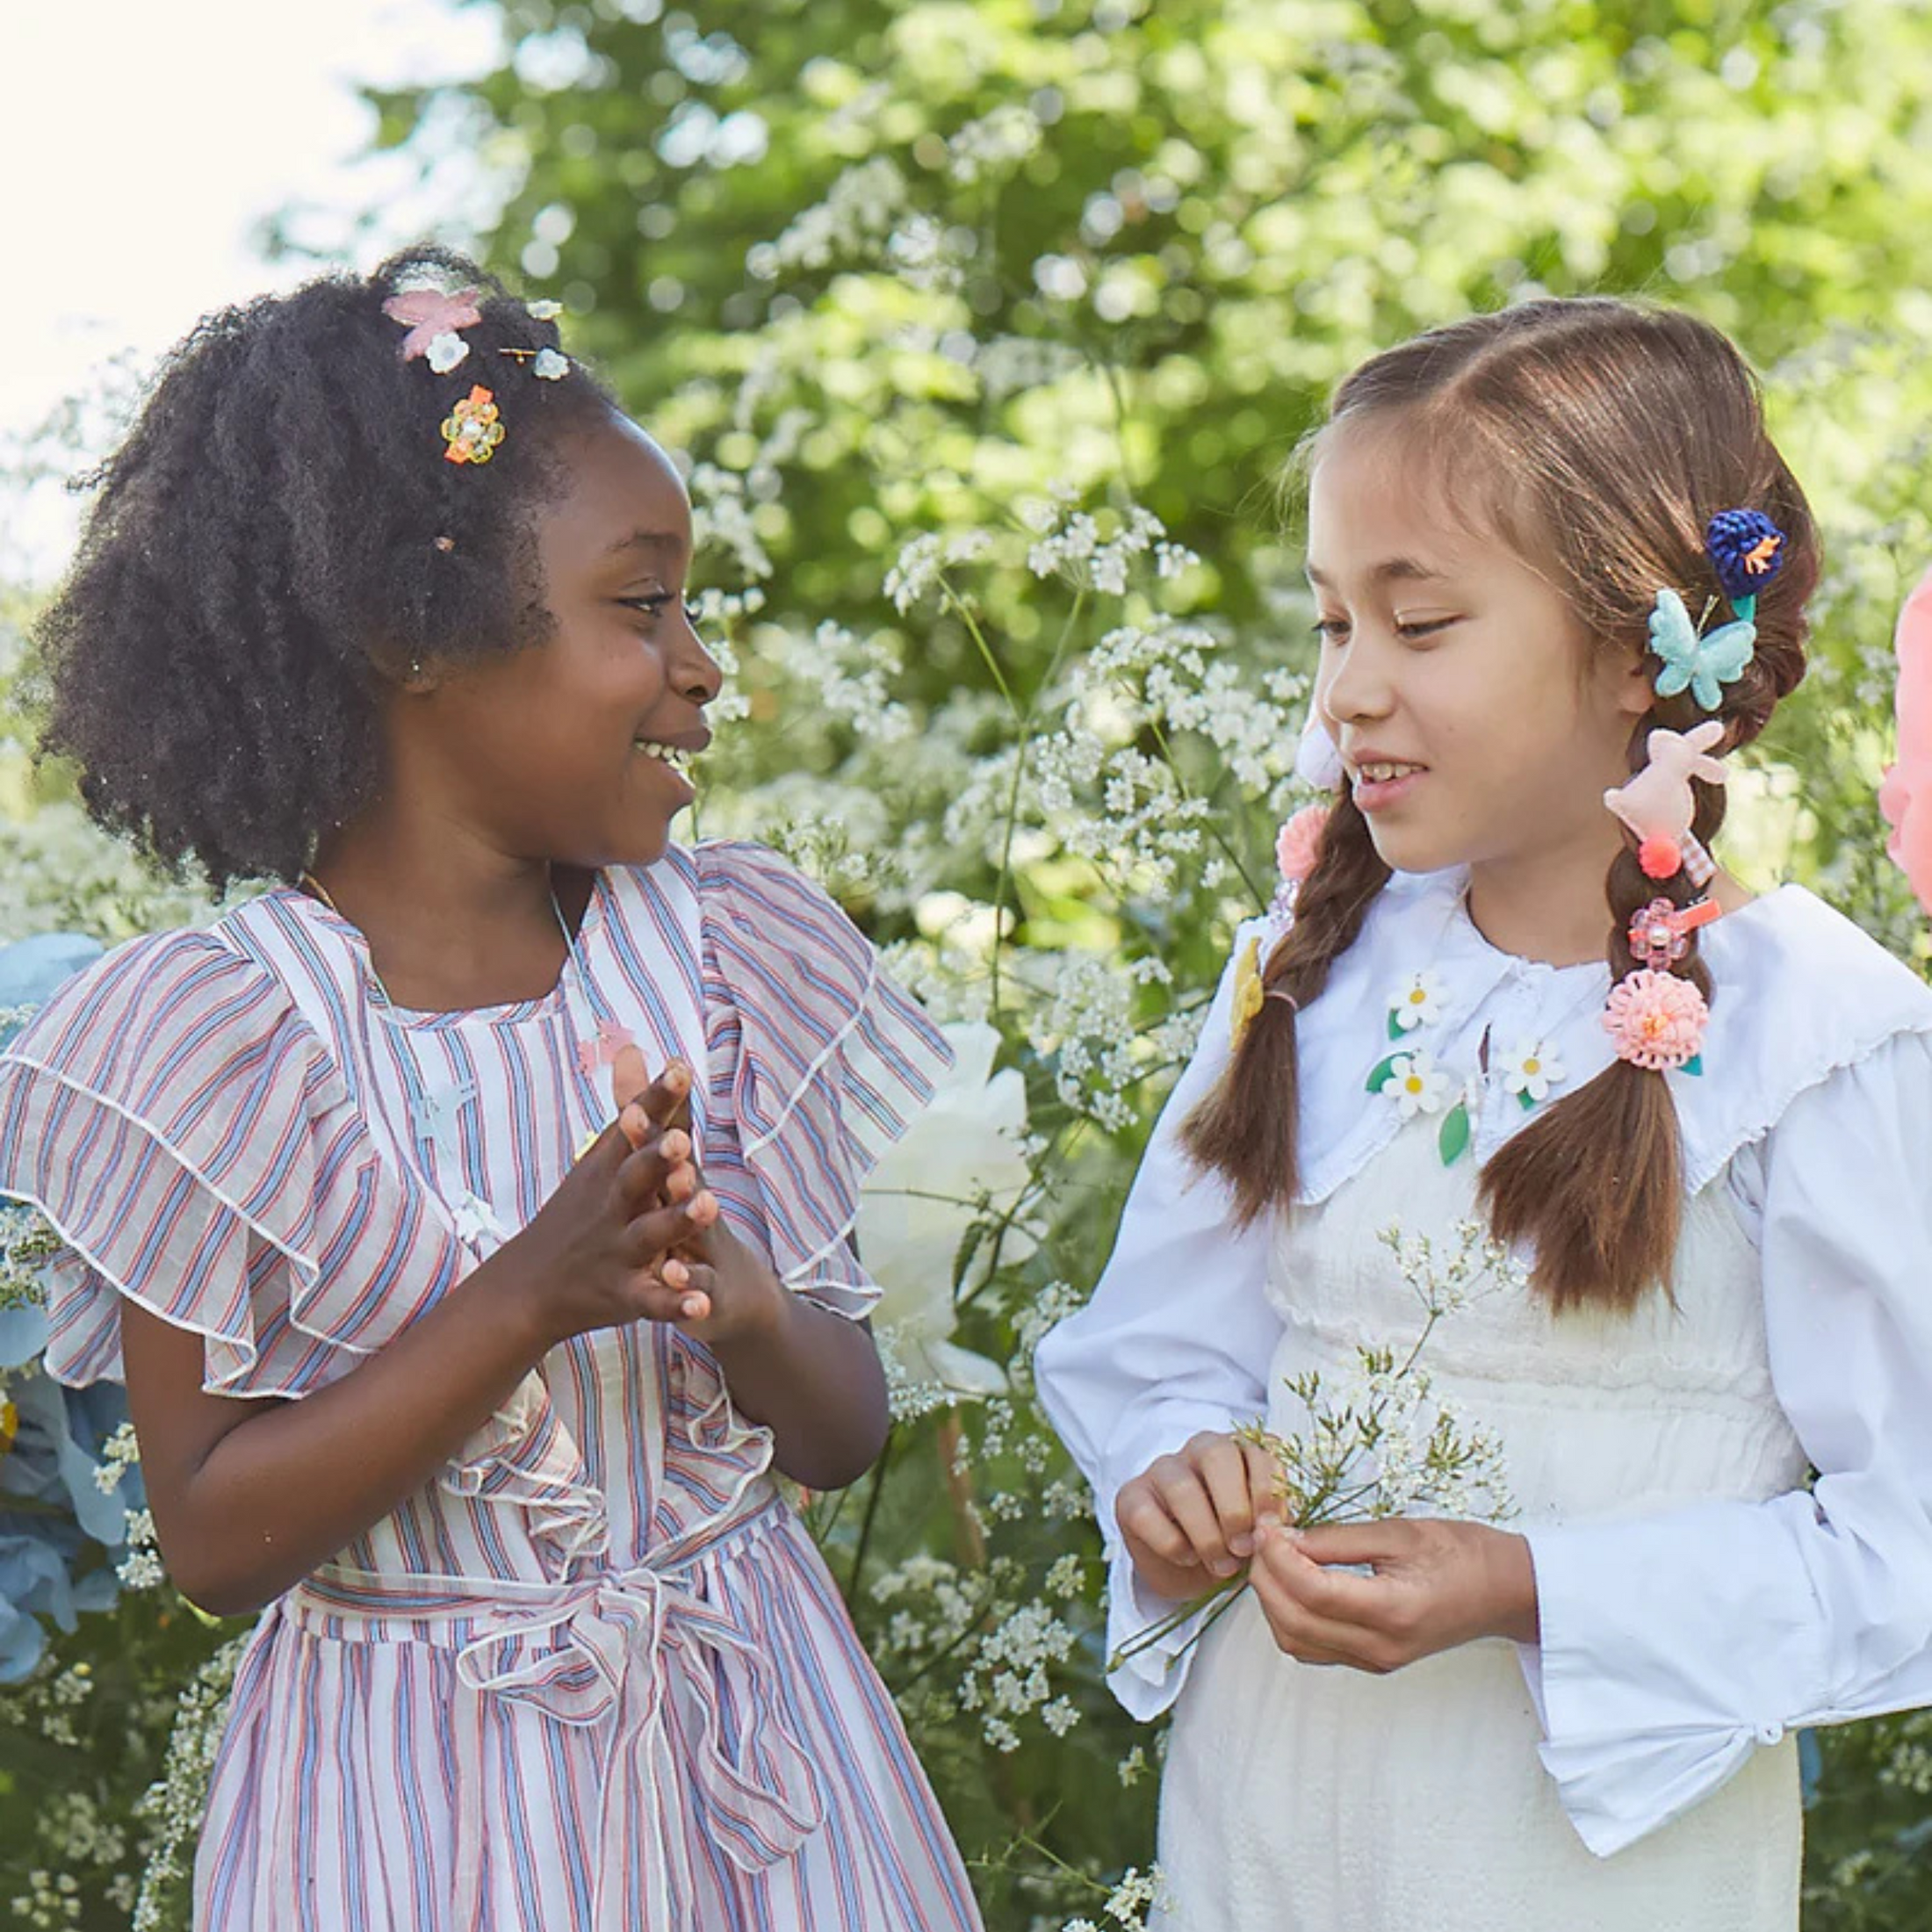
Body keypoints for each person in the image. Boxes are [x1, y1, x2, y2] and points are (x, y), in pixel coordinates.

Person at [0, 249, 983, 1931]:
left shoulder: (723, 956)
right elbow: (219, 1542)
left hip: (765, 1777)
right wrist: (529, 1296)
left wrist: (739, 1305)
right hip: (409, 1816)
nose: (703, 665)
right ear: (420, 636)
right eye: (639, 602)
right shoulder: (217, 1041)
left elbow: (845, 1427)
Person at [1034, 298, 1932, 1930]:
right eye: (1329, 627)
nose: (1345, 699)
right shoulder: (1303, 980)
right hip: (1273, 1822)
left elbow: (1908, 1550)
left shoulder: (1816, 1044)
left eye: (1420, 625)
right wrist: (1172, 1477)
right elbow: (1156, 1352)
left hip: (1586, 1868)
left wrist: (1536, 1590)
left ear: (1631, 647)